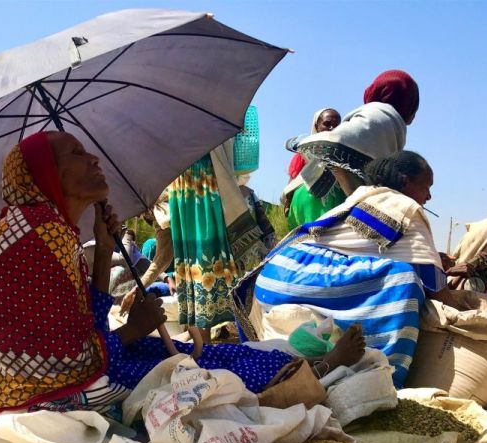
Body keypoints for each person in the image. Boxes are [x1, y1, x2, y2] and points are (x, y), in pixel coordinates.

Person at [0, 131, 366, 418]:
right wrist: (133, 331)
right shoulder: (43, 235)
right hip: (39, 392)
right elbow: (62, 361)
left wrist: (105, 248)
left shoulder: (37, 226)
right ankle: (315, 375)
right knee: (201, 373)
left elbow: (75, 326)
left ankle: (306, 369)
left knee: (185, 353)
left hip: (10, 376)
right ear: (47, 176)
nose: (91, 157)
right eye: (74, 154)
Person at [234, 150, 458, 388]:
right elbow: (436, 288)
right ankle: (384, 376)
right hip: (306, 274)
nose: (430, 196)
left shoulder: (363, 196)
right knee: (404, 280)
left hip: (275, 275)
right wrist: (462, 308)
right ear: (405, 182)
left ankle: (324, 364)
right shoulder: (405, 207)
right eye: (426, 187)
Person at [285, 70, 419, 230]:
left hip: (313, 197)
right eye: (413, 105)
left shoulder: (381, 120)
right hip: (323, 199)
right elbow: (335, 151)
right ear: (406, 102)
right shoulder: (381, 118)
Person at [169, 141, 266, 343]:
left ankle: (209, 342)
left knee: (200, 254)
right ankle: (212, 342)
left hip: (190, 178)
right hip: (200, 179)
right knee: (203, 253)